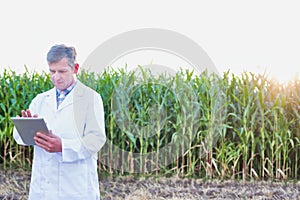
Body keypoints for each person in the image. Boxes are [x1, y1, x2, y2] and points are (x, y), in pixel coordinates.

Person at [13, 44, 106, 199]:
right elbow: (19, 137)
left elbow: (96, 140)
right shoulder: (40, 100)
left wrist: (63, 147)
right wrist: (26, 126)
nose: (56, 76)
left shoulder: (90, 99)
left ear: (75, 68)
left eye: (62, 71)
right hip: (43, 187)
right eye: (52, 71)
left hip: (76, 187)